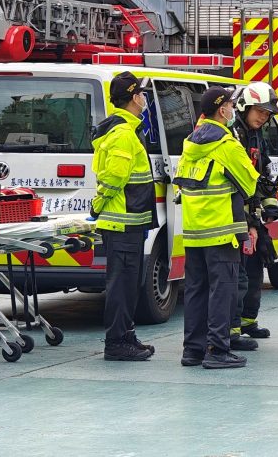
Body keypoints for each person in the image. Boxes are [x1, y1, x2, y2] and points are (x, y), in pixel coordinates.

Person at [175, 87, 259, 369]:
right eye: (232, 105)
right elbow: (249, 184)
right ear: (222, 110)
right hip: (221, 231)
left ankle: (193, 350)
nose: (234, 110)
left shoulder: (190, 143)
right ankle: (217, 350)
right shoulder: (227, 145)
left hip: (193, 231)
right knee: (222, 291)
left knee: (195, 291)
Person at [91, 71, 157, 361]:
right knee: (121, 286)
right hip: (122, 223)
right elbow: (114, 177)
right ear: (133, 98)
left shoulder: (125, 129)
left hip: (129, 223)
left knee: (129, 285)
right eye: (141, 94)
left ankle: (126, 335)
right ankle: (116, 342)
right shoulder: (123, 134)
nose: (144, 98)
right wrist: (98, 204)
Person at [228, 82, 278, 351]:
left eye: (267, 113)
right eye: (259, 111)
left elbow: (264, 173)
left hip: (253, 214)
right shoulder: (233, 136)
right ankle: (232, 330)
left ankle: (248, 321)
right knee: (237, 276)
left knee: (255, 269)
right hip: (236, 215)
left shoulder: (256, 136)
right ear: (244, 107)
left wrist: (270, 205)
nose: (263, 117)